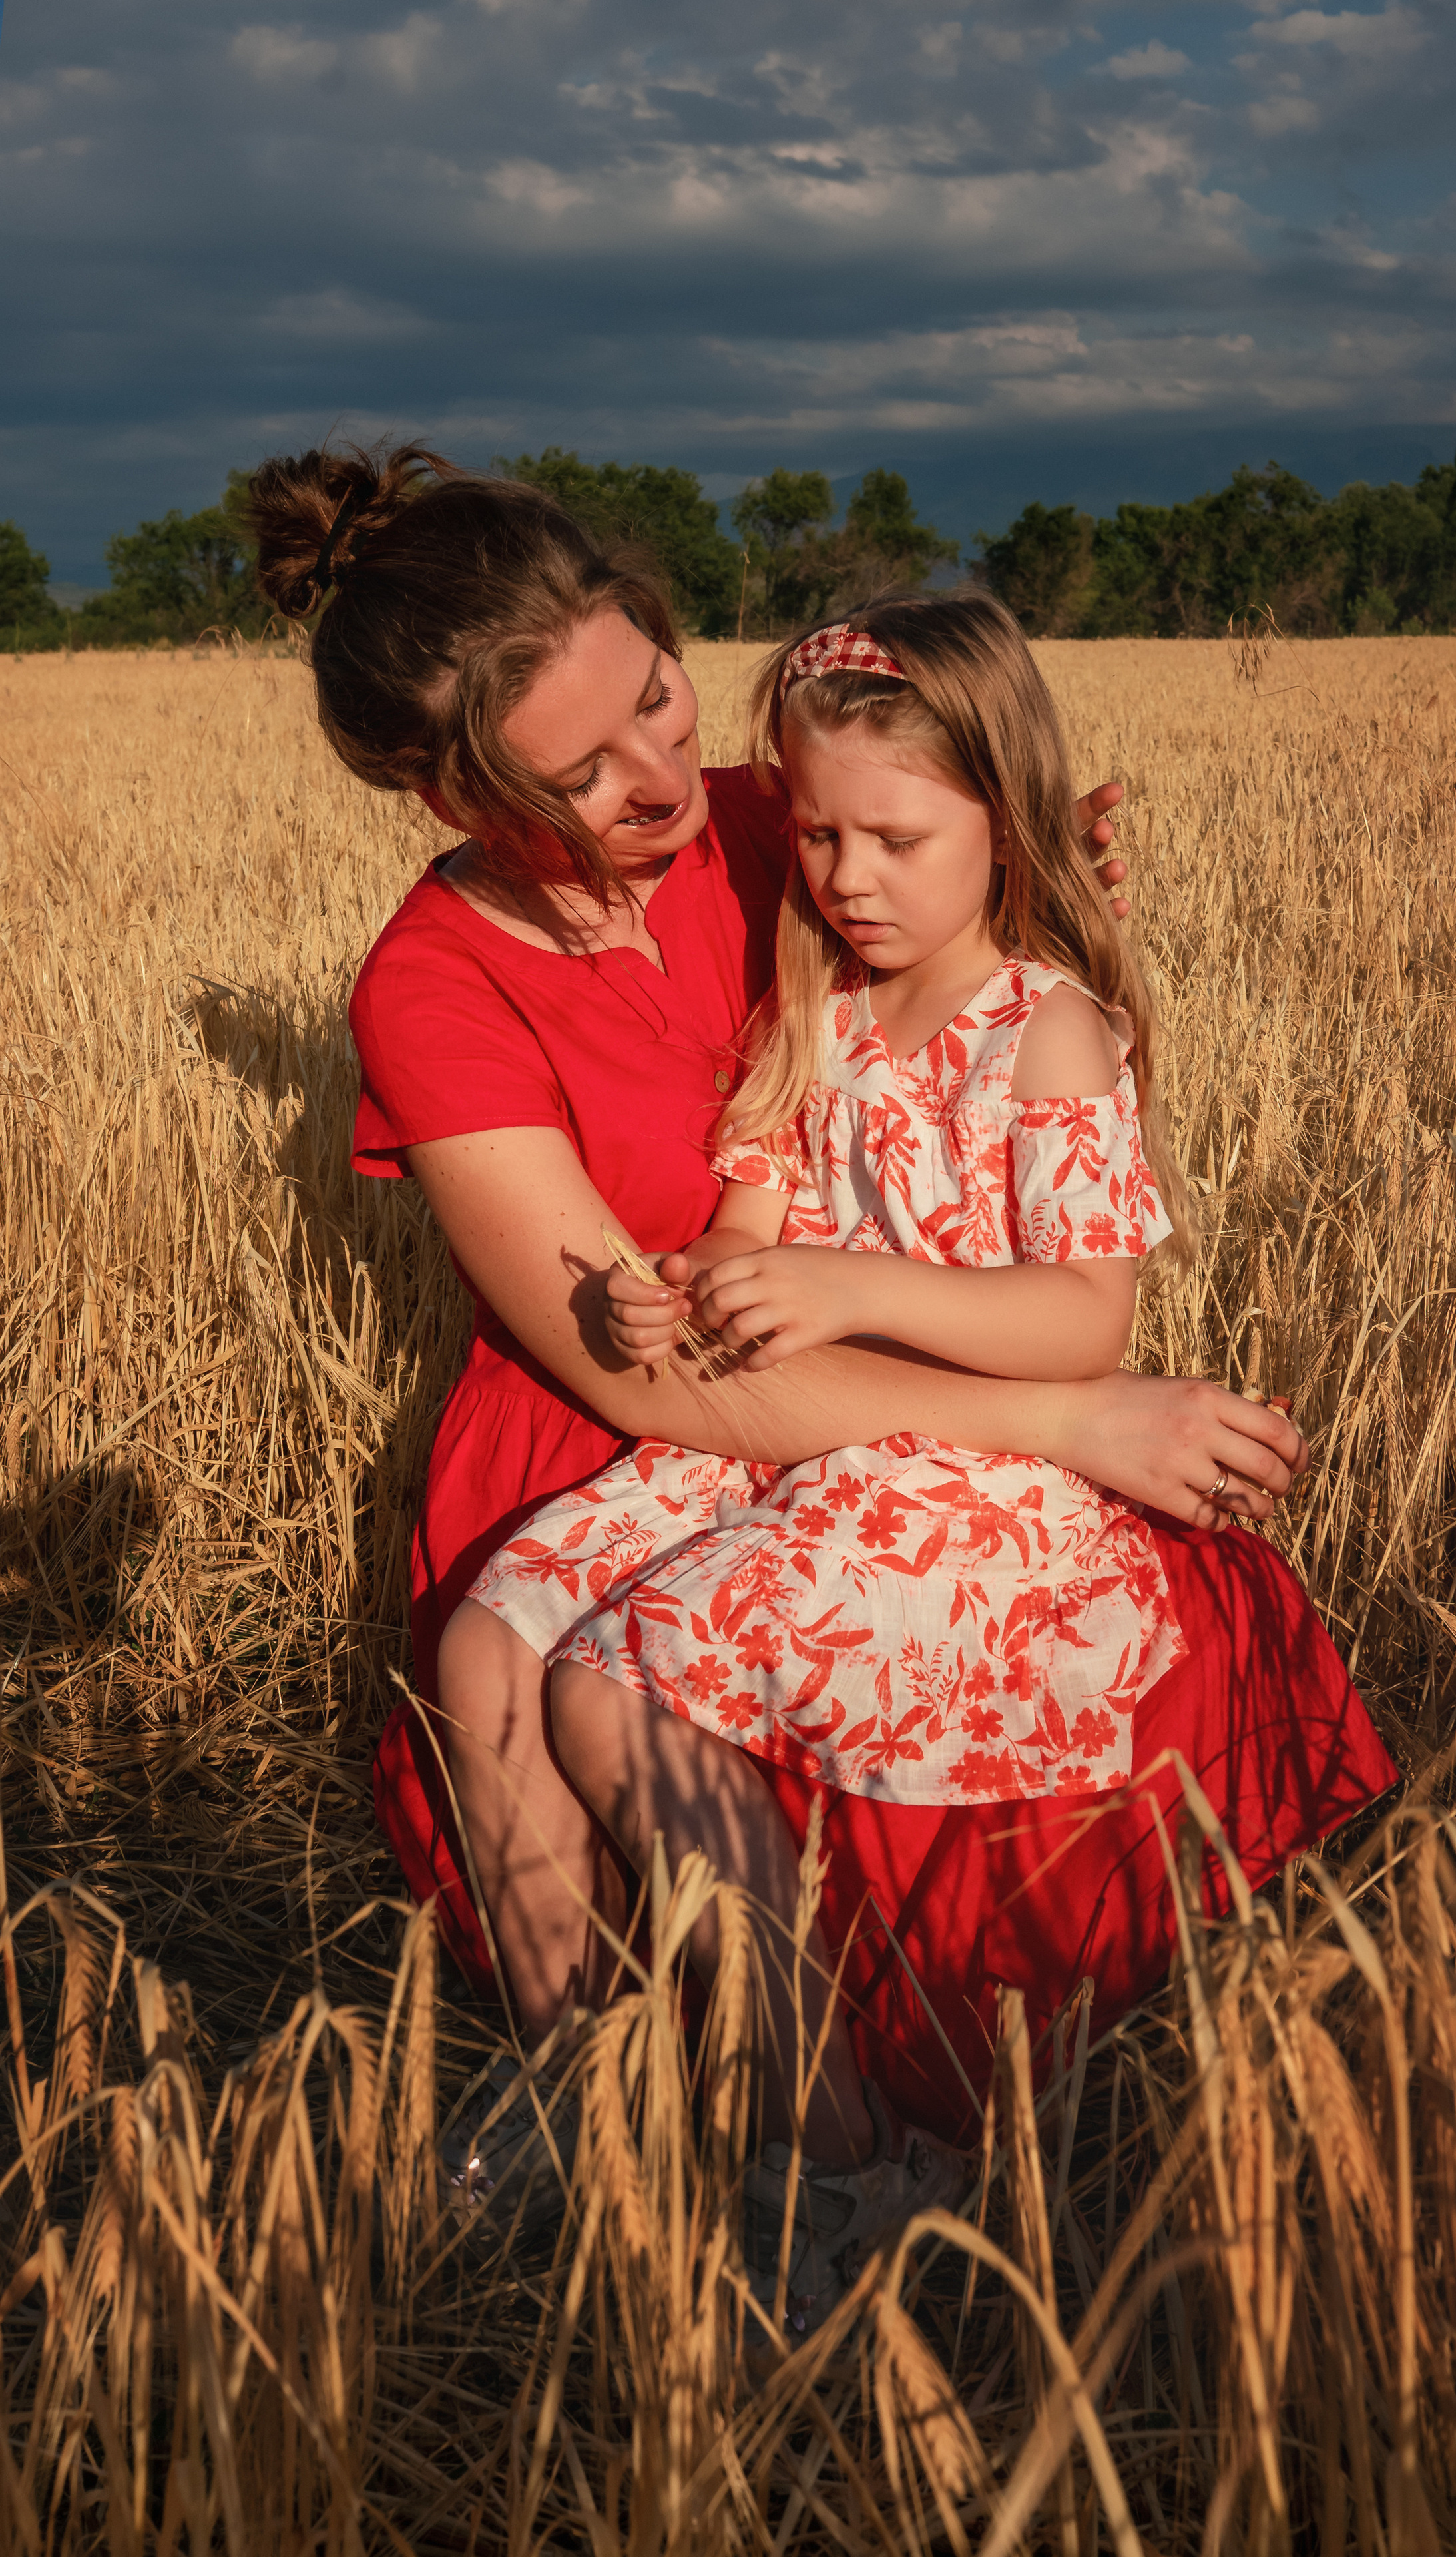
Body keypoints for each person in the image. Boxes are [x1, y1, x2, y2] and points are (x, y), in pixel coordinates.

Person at [246, 445, 1393, 2204]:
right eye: (586, 772)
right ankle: (595, 2090)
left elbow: (969, 906)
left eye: (659, 696)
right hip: (638, 1399)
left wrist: (1043, 876)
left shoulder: (781, 816)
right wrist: (1079, 1419)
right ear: (443, 790)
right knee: (492, 1663)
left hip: (890, 1362)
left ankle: (818, 2154)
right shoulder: (432, 985)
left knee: (633, 1690)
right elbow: (645, 1355)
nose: (665, 782)